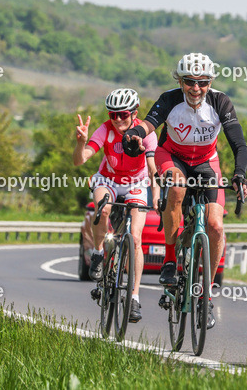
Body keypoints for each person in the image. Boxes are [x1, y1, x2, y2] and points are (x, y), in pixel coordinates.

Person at [122, 52, 247, 330]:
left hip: (206, 161)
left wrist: (240, 174)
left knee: (215, 226)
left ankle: (206, 295)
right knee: (177, 189)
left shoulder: (220, 102)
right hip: (173, 156)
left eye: (202, 83)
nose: (196, 88)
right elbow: (147, 124)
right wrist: (134, 136)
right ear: (180, 81)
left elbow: (239, 144)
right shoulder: (169, 99)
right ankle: (170, 258)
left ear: (209, 82)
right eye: (190, 82)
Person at [74, 87, 158, 323]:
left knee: (136, 237)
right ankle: (99, 253)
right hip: (108, 179)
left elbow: (153, 170)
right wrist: (81, 142)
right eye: (113, 115)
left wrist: (158, 197)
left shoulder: (147, 132)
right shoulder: (105, 129)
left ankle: (134, 298)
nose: (118, 119)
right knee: (104, 207)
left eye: (123, 114)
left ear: (134, 113)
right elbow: (80, 160)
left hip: (136, 183)